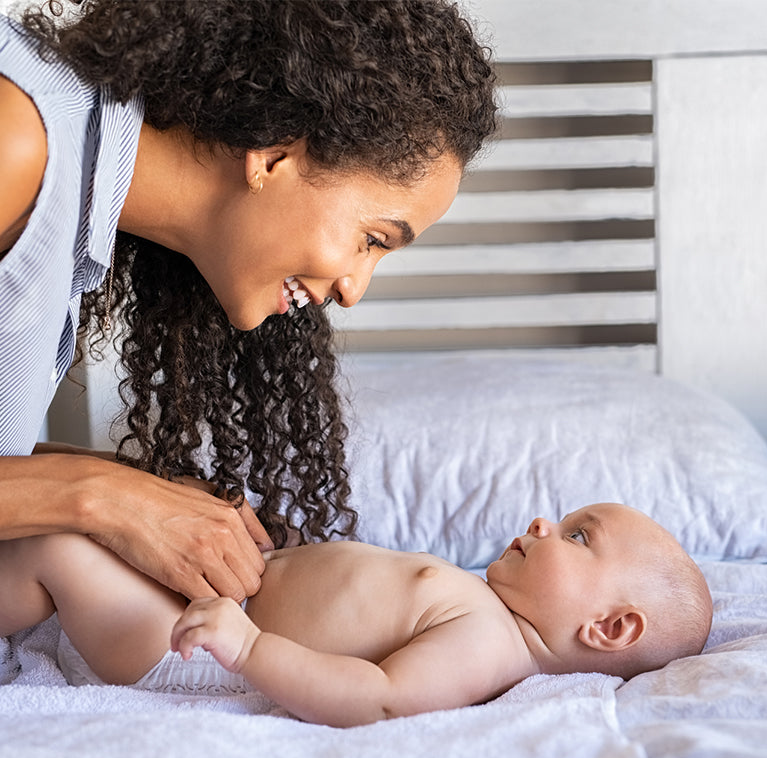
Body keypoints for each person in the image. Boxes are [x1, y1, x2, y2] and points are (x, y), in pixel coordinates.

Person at [0, 1, 497, 602]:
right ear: (273, 156)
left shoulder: (76, 190)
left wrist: (141, 493)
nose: (353, 289)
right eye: (372, 240)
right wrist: (104, 500)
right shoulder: (15, 138)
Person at [0, 503, 713, 728]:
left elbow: (379, 697)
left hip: (185, 653)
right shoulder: (484, 601)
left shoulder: (489, 644)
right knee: (93, 536)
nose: (541, 523)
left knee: (57, 543)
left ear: (610, 628)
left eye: (577, 536)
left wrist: (248, 649)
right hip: (210, 608)